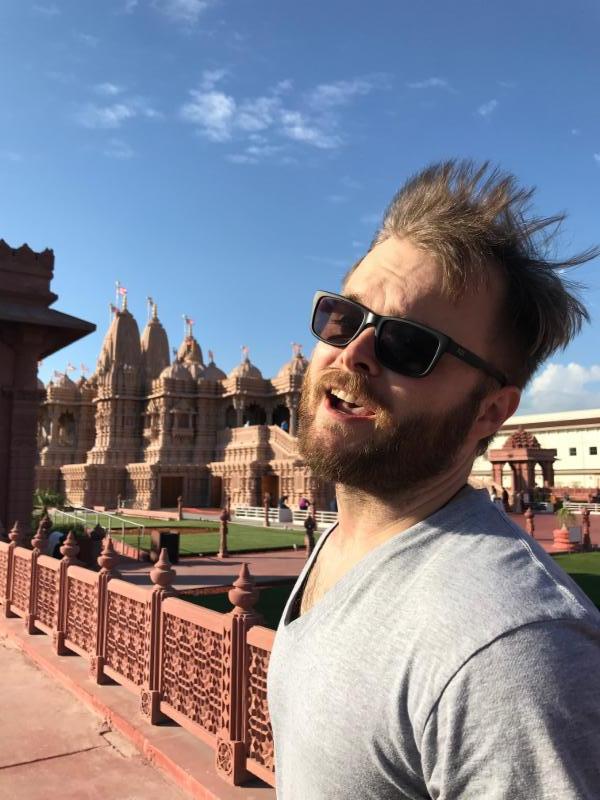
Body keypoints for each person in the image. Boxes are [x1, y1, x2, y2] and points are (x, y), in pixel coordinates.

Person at [267, 160, 600, 799]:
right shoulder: (349, 538)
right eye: (342, 317)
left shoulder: (510, 653)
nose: (354, 353)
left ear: (490, 412)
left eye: (409, 346)